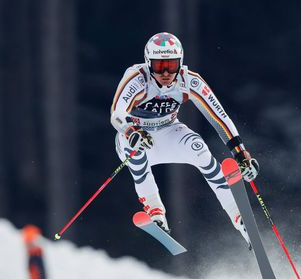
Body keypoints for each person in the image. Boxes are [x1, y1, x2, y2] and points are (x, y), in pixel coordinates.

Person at [110, 32, 259, 249]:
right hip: (136, 138)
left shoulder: (189, 81)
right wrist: (131, 132)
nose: (166, 72)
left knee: (200, 150)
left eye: (172, 64)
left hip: (169, 131)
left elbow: (219, 117)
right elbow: (117, 112)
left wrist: (241, 153)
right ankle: (156, 212)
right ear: (147, 62)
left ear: (180, 62)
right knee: (136, 154)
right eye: (159, 65)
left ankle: (240, 219)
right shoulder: (137, 79)